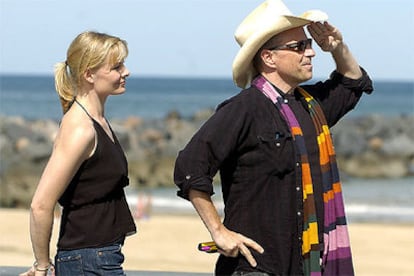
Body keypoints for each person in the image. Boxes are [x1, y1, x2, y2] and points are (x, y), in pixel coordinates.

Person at [174, 0, 373, 275]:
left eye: (309, 45)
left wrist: (337, 47)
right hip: (257, 266)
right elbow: (190, 166)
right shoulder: (244, 108)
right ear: (268, 58)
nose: (311, 53)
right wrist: (218, 231)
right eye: (299, 47)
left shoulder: (311, 105)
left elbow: (352, 82)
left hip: (305, 264)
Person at [20, 31, 136, 276]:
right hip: (88, 260)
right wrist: (42, 265)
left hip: (99, 256)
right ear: (89, 74)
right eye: (117, 66)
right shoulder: (80, 128)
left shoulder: (97, 120)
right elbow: (40, 204)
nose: (126, 72)